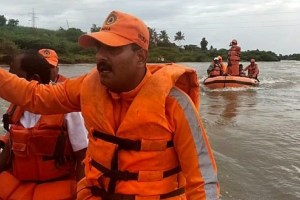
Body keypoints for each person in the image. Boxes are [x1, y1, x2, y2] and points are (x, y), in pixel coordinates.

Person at [0, 10, 219, 199]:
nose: (100, 57)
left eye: (112, 49)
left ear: (141, 57)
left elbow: (203, 180)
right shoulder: (86, 87)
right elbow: (35, 96)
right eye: (98, 48)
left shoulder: (176, 104)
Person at [0, 50, 88, 199]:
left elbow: (83, 157)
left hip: (56, 188)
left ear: (34, 79)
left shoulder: (67, 109)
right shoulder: (16, 106)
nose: (9, 83)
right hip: (21, 185)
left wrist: (83, 194)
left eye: (13, 76)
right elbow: (10, 147)